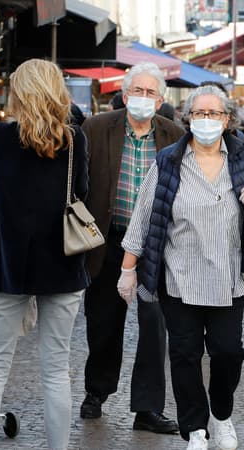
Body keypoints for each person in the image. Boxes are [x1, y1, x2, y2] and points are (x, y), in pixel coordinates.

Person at [118, 85, 244, 450]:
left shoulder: (240, 157)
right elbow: (144, 219)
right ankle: (196, 429)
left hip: (229, 278)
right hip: (180, 279)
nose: (207, 120)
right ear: (189, 118)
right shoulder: (169, 161)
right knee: (184, 356)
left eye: (214, 114)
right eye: (200, 114)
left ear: (227, 120)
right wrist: (128, 269)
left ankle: (221, 415)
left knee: (227, 353)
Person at [0, 58, 89, 450]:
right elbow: (81, 191)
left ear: (19, 92)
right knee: (56, 369)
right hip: (63, 262)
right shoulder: (74, 140)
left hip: (8, 263)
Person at [80, 62, 185, 433]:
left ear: (160, 100)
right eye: (136, 91)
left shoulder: (175, 136)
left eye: (150, 93)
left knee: (154, 327)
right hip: (107, 243)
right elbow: (79, 185)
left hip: (155, 248)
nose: (143, 98)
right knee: (104, 324)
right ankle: (97, 390)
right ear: (124, 96)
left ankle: (147, 408)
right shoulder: (95, 129)